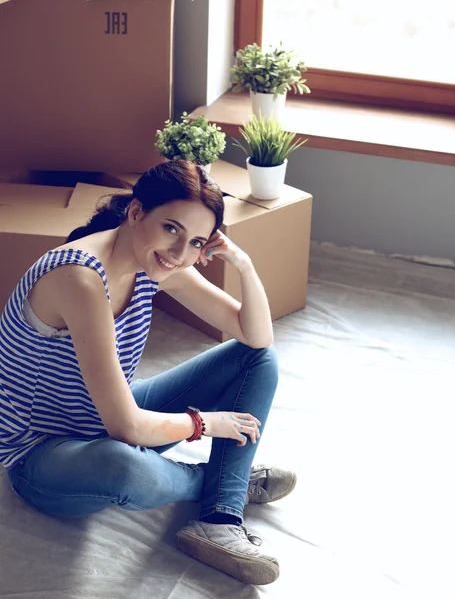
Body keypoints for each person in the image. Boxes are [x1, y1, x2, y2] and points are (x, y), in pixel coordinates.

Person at [0, 160, 296, 586]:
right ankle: (218, 484)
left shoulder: (154, 263)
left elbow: (256, 336)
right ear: (136, 212)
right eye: (171, 229)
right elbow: (125, 427)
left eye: (196, 241)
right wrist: (205, 425)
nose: (179, 253)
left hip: (102, 416)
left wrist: (244, 265)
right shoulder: (79, 277)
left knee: (257, 358)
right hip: (42, 457)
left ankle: (219, 518)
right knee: (123, 466)